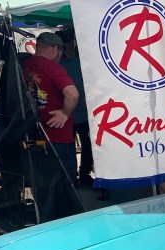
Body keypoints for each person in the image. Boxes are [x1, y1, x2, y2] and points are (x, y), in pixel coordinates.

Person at [22, 31, 82, 222]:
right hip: (59, 136)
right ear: (56, 50)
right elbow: (73, 94)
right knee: (65, 185)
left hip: (34, 134)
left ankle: (46, 223)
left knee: (44, 188)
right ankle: (65, 224)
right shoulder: (53, 68)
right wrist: (65, 113)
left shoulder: (24, 65)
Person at [56, 28, 95, 189]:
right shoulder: (56, 65)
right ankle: (71, 177)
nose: (70, 48)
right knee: (68, 147)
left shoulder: (78, 61)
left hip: (83, 113)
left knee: (88, 145)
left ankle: (84, 174)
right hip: (66, 114)